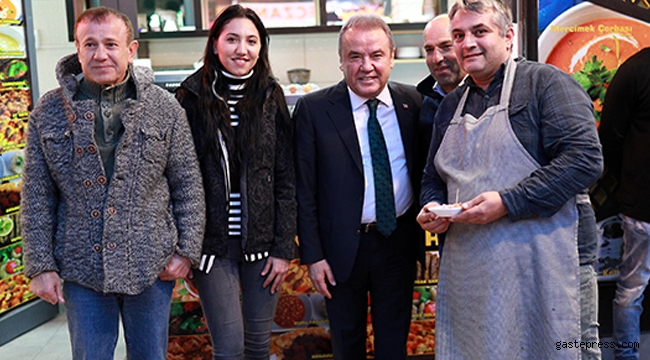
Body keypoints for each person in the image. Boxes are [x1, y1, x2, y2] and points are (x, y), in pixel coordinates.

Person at [416, 0, 603, 359]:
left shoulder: (546, 84)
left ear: (509, 35)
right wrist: (432, 208)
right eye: (458, 35)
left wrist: (507, 202)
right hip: (474, 271)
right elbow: (433, 179)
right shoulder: (449, 107)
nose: (467, 43)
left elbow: (585, 159)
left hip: (548, 267)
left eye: (479, 31)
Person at [21, 6, 205, 360]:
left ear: (131, 50)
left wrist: (185, 252)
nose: (100, 54)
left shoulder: (165, 108)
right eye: (90, 44)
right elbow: (36, 197)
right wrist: (41, 266)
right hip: (81, 268)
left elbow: (188, 185)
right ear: (77, 49)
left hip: (151, 265)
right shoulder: (48, 111)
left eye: (111, 44)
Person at [294, 15, 423, 360]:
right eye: (355, 56)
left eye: (376, 55)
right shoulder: (314, 109)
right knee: (346, 345)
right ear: (341, 61)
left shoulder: (415, 104)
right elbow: (303, 190)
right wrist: (314, 256)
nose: (367, 66)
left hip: (397, 243)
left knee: (394, 344)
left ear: (392, 57)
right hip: (339, 252)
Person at [175, 5, 296, 360]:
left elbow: (286, 178)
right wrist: (188, 246)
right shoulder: (190, 97)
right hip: (212, 247)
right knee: (229, 349)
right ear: (215, 44)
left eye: (251, 41)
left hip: (262, 243)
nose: (242, 49)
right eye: (232, 39)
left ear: (261, 48)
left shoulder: (270, 96)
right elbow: (179, 178)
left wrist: (282, 248)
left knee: (258, 347)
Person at [600, 46, 650, 360]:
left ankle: (626, 357)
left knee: (631, 291)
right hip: (642, 204)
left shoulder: (634, 69)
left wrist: (628, 181)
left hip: (642, 201)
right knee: (631, 292)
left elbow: (610, 137)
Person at [416, 13, 467, 255]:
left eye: (446, 47)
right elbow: (430, 173)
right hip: (450, 230)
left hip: (500, 225)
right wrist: (432, 204)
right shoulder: (425, 102)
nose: (437, 58)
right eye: (429, 50)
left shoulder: (492, 93)